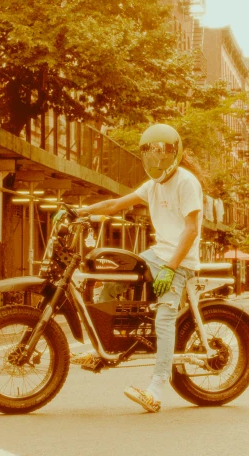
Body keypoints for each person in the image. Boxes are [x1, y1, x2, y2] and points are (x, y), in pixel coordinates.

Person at [74, 123, 203, 413]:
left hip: (179, 260)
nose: (157, 161)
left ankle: (157, 387)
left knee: (164, 316)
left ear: (175, 153)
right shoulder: (152, 185)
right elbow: (116, 204)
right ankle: (106, 349)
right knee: (112, 282)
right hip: (157, 253)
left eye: (162, 154)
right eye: (151, 155)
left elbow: (191, 230)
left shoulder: (186, 182)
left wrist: (171, 267)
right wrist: (81, 211)